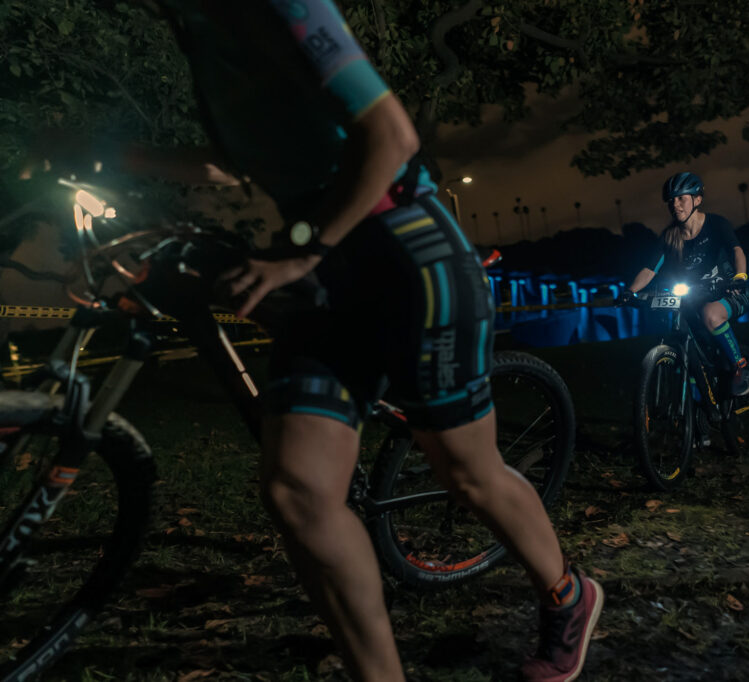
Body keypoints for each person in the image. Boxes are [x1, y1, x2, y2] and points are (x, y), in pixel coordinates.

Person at [26, 1, 603, 680]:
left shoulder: (284, 8)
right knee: (295, 488)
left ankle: (568, 596)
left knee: (467, 472)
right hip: (330, 273)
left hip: (412, 262)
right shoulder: (202, 30)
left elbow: (391, 135)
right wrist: (110, 155)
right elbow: (232, 163)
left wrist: (303, 249)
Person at [619, 171, 749, 396]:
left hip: (729, 292)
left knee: (711, 314)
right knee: (680, 332)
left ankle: (741, 366)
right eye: (671, 200)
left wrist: (740, 277)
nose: (675, 205)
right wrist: (629, 291)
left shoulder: (716, 224)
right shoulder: (669, 237)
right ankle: (696, 400)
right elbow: (650, 269)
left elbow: (737, 251)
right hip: (695, 297)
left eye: (681, 198)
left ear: (697, 199)